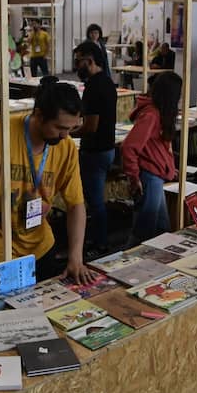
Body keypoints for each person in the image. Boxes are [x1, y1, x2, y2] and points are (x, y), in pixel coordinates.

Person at [0, 76, 93, 284]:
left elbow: (76, 205)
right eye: (60, 128)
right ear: (39, 114)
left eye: (71, 129)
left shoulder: (67, 147)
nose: (65, 136)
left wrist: (75, 258)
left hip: (40, 248)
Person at [121, 71, 182, 243]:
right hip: (149, 177)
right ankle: (128, 266)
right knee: (144, 231)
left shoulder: (157, 113)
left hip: (155, 175)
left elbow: (157, 148)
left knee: (161, 229)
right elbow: (128, 147)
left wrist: (168, 168)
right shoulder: (152, 115)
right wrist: (134, 177)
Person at [71, 42, 117, 255]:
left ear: (89, 61)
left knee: (94, 201)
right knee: (97, 199)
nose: (76, 66)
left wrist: (67, 133)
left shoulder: (93, 88)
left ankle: (100, 244)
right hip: (108, 149)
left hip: (94, 152)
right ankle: (99, 239)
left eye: (78, 61)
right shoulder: (108, 82)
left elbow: (91, 126)